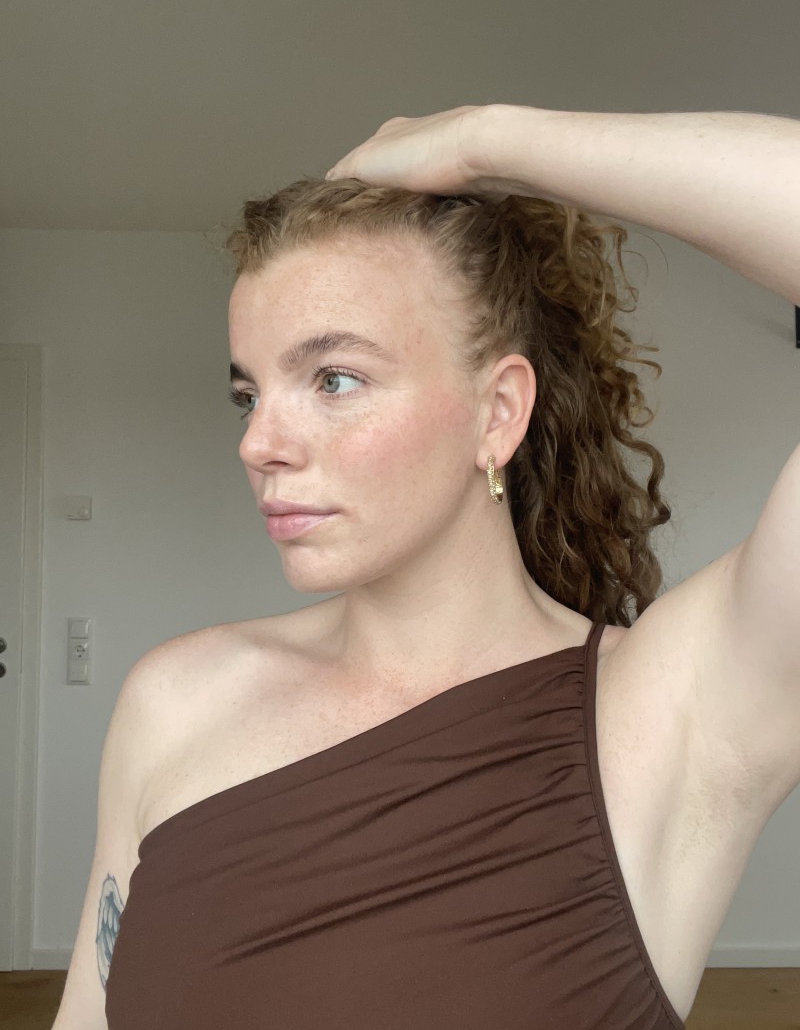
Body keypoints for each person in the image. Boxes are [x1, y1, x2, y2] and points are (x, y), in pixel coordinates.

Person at [54, 104, 800, 1030]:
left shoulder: (665, 717)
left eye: (333, 378)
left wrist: (485, 140)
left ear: (499, 413)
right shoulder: (174, 702)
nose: (258, 442)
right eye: (249, 392)